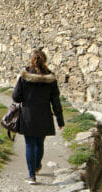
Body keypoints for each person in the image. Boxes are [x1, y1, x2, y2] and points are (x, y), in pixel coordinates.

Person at [12, 48, 64, 184]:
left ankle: (31, 176)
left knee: (29, 144)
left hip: (28, 115)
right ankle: (37, 166)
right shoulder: (50, 78)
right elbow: (56, 101)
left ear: (32, 60)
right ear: (45, 60)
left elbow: (16, 97)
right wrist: (60, 120)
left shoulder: (24, 76)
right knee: (39, 143)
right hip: (45, 115)